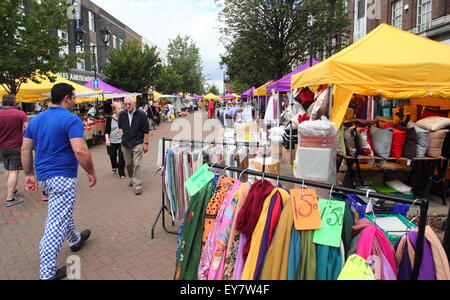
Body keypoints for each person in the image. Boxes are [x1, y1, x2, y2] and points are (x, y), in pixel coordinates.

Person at [21, 83, 97, 280]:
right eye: (74, 97)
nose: (75, 100)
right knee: (55, 222)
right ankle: (47, 272)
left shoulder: (35, 120)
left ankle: (75, 239)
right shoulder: (71, 119)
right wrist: (90, 171)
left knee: (61, 210)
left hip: (44, 177)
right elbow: (80, 150)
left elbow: (25, 149)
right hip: (62, 176)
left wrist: (29, 173)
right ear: (66, 98)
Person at [0, 94, 29, 207]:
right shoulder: (20, 113)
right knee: (13, 171)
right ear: (14, 102)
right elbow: (29, 128)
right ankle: (9, 198)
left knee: (7, 168)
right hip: (15, 145)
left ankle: (13, 190)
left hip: (2, 147)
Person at [118, 97, 149, 195]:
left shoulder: (142, 115)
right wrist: (122, 133)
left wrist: (146, 144)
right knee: (128, 164)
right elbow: (120, 127)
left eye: (129, 104)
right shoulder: (122, 114)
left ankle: (138, 184)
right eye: (125, 104)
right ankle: (132, 177)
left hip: (137, 142)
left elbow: (146, 131)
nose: (127, 106)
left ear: (134, 103)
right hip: (126, 143)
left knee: (137, 163)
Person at [105, 102, 126, 178]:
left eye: (121, 108)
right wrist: (107, 140)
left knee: (122, 157)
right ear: (114, 110)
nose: (121, 110)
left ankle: (122, 172)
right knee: (112, 155)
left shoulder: (123, 117)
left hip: (121, 140)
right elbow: (106, 130)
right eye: (119, 108)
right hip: (112, 140)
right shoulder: (109, 118)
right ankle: (114, 166)